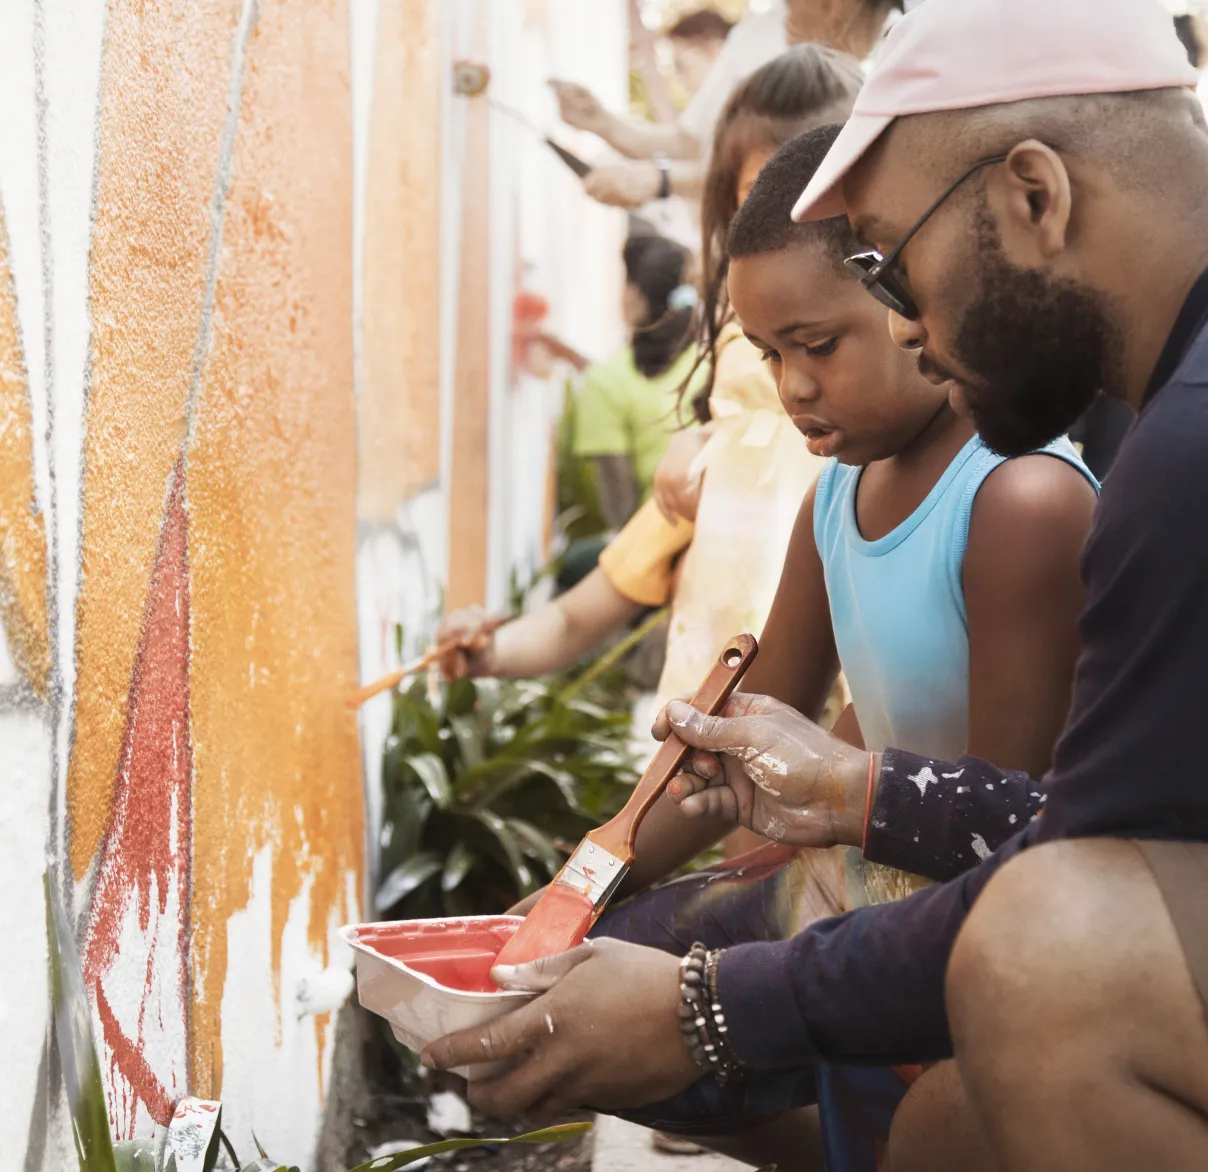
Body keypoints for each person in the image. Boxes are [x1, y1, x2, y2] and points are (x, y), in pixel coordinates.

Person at [425, 2, 1208, 1170]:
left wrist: (705, 1005)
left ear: (1033, 198)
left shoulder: (1162, 460)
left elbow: (1062, 871)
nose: (917, 330)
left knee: (1040, 958)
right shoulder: (1163, 433)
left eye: (891, 267)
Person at [441, 46, 862, 734]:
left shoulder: (888, 471)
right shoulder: (720, 460)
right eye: (761, 199)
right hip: (715, 785)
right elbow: (581, 613)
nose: (795, 384)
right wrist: (487, 650)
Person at [552, 0, 902, 210]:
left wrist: (661, 181)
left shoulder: (897, 59)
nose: (786, 12)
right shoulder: (757, 34)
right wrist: (605, 125)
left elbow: (783, 175)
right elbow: (696, 142)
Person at [572, 233, 699, 530]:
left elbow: (619, 499)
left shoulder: (607, 380)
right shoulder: (715, 360)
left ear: (634, 295)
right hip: (718, 536)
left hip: (656, 537)